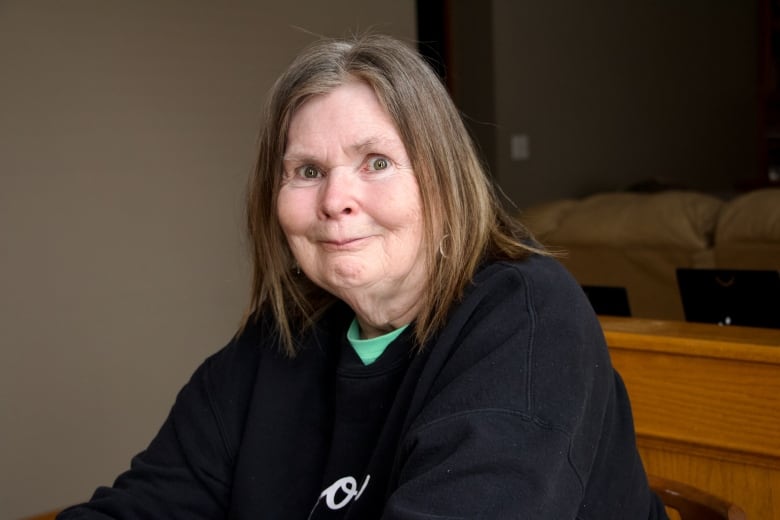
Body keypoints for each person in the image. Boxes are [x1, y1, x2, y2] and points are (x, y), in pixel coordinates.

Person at [58, 34, 668, 519]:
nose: (335, 200)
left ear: (443, 180)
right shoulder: (278, 340)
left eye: (376, 162)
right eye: (306, 171)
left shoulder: (526, 319)